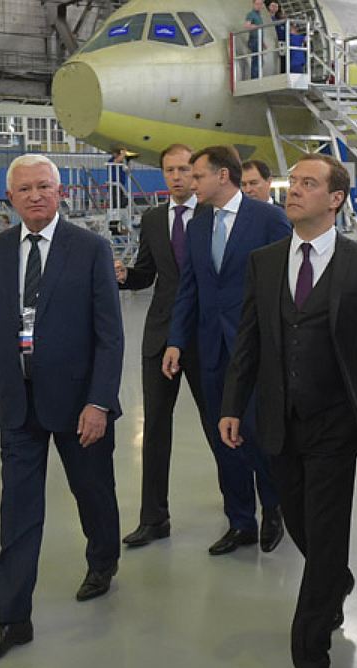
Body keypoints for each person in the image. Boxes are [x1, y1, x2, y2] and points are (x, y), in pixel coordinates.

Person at [219, 153, 357, 668]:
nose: (295, 191)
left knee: (326, 535)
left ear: (335, 199)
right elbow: (249, 340)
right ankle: (336, 579)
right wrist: (233, 404)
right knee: (303, 525)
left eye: (309, 184)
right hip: (278, 421)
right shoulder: (264, 263)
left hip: (336, 423)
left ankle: (310, 662)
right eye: (294, 182)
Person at [0, 154, 124, 662]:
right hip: (18, 402)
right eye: (25, 189)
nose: (35, 196)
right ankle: (13, 619)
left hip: (80, 404)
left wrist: (99, 402)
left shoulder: (90, 248)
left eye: (44, 186)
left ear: (61, 193)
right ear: (10, 198)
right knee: (17, 511)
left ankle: (102, 559)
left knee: (92, 491)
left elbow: (110, 335)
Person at [163, 145, 290, 556]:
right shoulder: (199, 224)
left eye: (197, 175)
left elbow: (286, 287)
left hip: (256, 349)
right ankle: (240, 520)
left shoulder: (268, 219)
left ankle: (274, 509)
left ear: (222, 176)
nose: (190, 183)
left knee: (257, 432)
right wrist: (176, 340)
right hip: (210, 349)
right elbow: (189, 287)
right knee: (223, 438)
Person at [115, 144, 215, 548]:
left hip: (206, 335)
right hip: (160, 334)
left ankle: (242, 508)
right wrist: (125, 276)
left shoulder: (213, 215)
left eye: (185, 169)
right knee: (155, 426)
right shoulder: (154, 219)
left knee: (219, 423)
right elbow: (147, 274)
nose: (177, 177)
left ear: (197, 173)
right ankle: (154, 518)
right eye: (170, 170)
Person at [243, 0, 266, 79]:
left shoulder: (259, 16)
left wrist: (263, 42)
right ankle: (255, 78)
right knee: (256, 60)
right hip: (254, 40)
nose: (259, 6)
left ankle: (257, 77)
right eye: (257, 4)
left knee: (259, 60)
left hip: (258, 40)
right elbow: (246, 26)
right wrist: (256, 27)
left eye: (260, 4)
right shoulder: (251, 14)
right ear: (253, 4)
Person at [267, 0, 286, 74]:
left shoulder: (279, 20)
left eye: (276, 6)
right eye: (272, 6)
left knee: (283, 62)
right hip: (273, 43)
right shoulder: (268, 19)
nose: (274, 7)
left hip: (282, 44)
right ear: (268, 7)